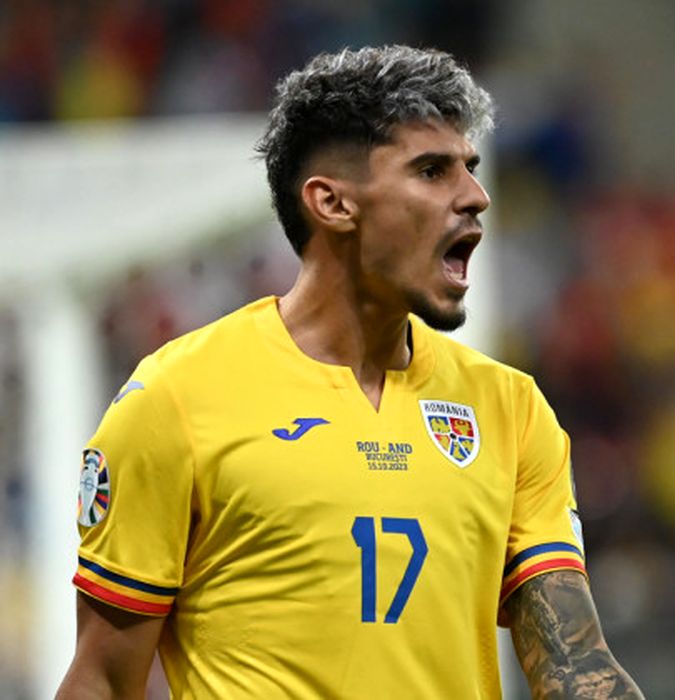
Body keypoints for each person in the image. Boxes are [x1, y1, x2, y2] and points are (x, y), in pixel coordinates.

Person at [56, 45, 643, 699]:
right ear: (332, 203)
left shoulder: (510, 408)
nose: (475, 197)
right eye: (431, 170)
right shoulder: (177, 398)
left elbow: (576, 670)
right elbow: (102, 680)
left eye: (469, 170)